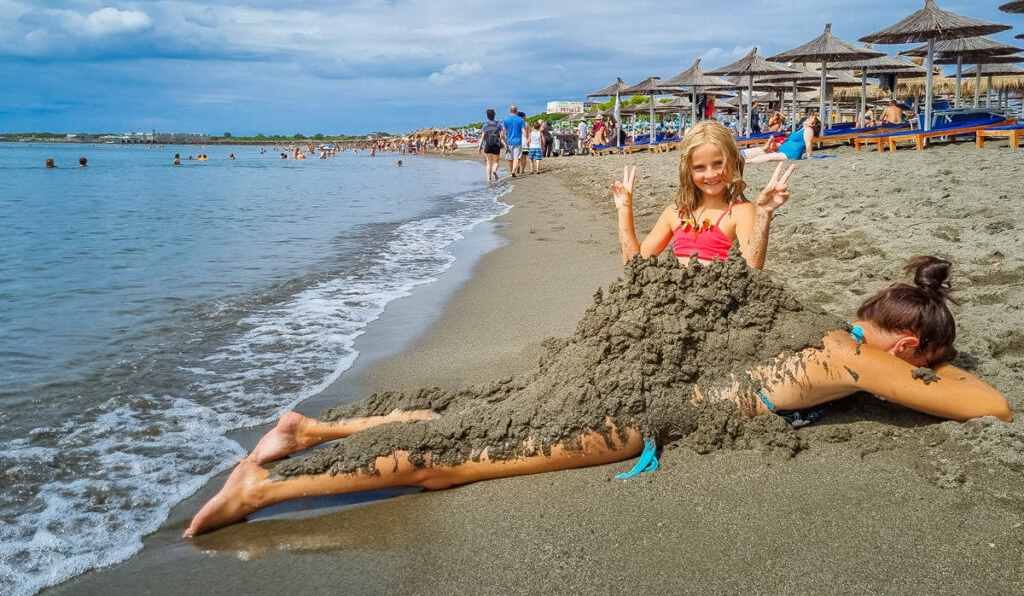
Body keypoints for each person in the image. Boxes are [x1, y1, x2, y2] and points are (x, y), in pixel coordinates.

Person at [183, 255, 1010, 537]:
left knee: (480, 420)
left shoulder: (824, 332)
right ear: (909, 345)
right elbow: (989, 408)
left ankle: (313, 430)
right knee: (455, 464)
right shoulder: (864, 359)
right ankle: (266, 487)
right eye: (925, 359)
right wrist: (938, 369)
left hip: (633, 380)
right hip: (650, 412)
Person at [611, 120, 794, 269]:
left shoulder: (739, 211)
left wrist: (763, 212)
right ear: (688, 170)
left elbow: (751, 268)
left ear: (732, 162)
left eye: (718, 164)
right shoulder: (675, 213)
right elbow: (633, 265)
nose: (711, 174)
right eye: (699, 167)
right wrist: (624, 209)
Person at [742, 115, 821, 164]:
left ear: (812, 124)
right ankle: (743, 156)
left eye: (810, 120)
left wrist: (809, 158)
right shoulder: (801, 130)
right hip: (784, 151)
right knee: (764, 152)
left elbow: (808, 144)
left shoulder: (809, 130)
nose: (807, 120)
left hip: (790, 154)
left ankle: (747, 161)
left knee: (769, 157)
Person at [478, 109, 503, 182]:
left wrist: (479, 147)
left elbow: (482, 137)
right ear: (494, 115)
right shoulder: (498, 124)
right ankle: (494, 170)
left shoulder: (485, 125)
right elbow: (502, 136)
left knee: (489, 163)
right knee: (496, 162)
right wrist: (506, 144)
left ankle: (488, 179)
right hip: (496, 145)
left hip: (488, 145)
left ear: (487, 116)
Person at [502, 106, 527, 177]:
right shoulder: (520, 120)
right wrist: (527, 138)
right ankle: (513, 171)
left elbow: (503, 132)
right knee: (517, 158)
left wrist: (503, 139)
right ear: (516, 111)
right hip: (518, 142)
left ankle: (511, 172)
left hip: (509, 142)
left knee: (510, 159)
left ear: (510, 111)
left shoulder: (506, 120)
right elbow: (523, 131)